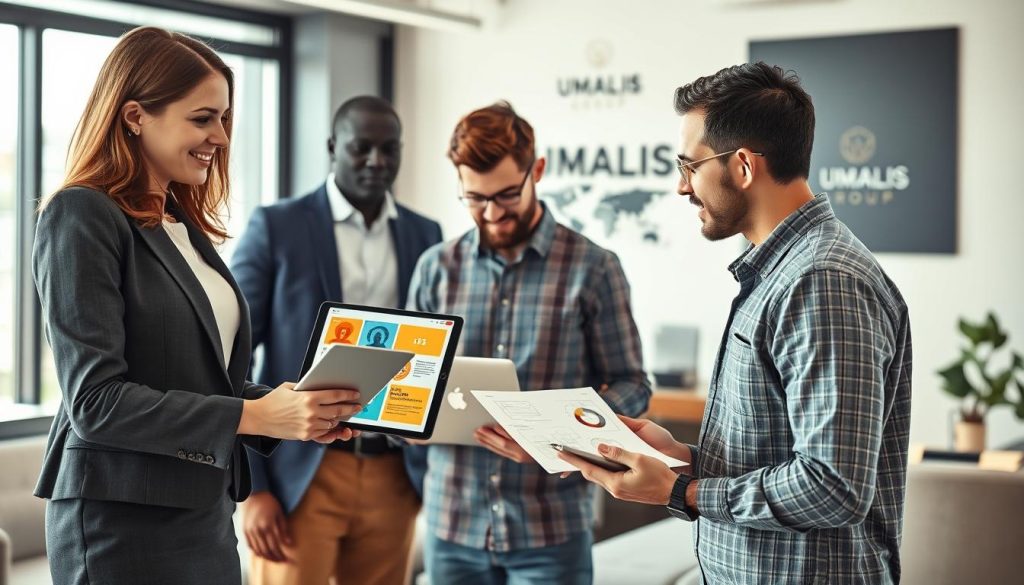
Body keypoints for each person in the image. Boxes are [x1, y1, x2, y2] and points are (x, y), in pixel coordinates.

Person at [558, 62, 912, 584]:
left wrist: (681, 492)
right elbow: (778, 453)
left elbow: (833, 487)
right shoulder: (783, 270)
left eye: (689, 165)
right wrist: (684, 459)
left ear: (743, 166)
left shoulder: (821, 280)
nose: (682, 186)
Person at [33, 27, 361, 585]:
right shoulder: (81, 214)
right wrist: (256, 415)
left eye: (225, 119)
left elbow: (192, 376)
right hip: (122, 525)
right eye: (203, 118)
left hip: (204, 513)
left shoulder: (181, 226)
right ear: (135, 116)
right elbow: (95, 401)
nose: (222, 136)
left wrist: (289, 408)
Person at [405, 101, 651, 585]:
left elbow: (633, 385)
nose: (492, 213)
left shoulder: (594, 269)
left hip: (551, 528)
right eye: (475, 199)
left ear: (536, 170)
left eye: (506, 195)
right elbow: (408, 379)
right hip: (451, 523)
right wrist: (400, 415)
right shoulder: (436, 269)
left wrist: (557, 438)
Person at [231, 96, 442, 585]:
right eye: (361, 147)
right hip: (300, 472)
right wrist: (253, 489)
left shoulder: (424, 234)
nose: (376, 161)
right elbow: (231, 355)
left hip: (394, 472)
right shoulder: (277, 226)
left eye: (389, 149)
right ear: (332, 147)